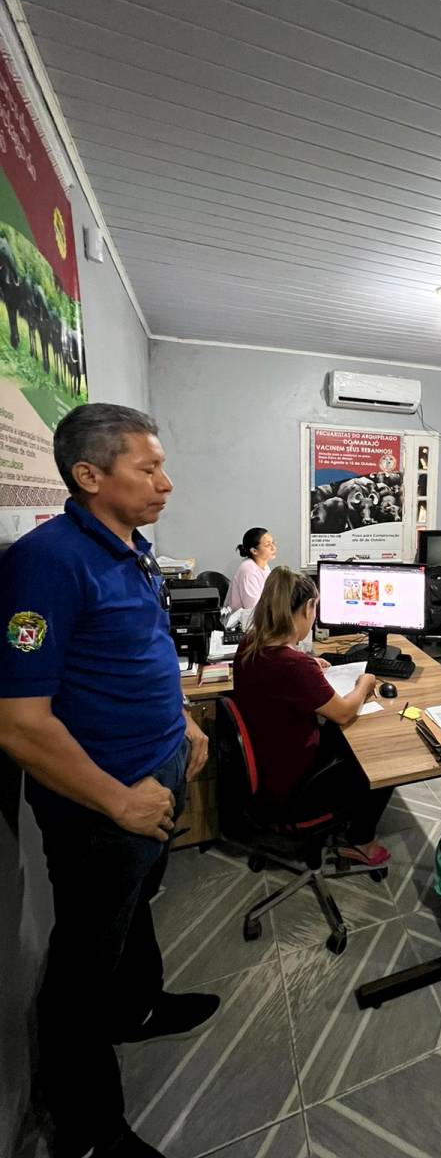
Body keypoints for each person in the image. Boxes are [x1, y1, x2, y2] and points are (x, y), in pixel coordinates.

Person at [0, 404, 218, 1158]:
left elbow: (142, 647)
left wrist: (183, 719)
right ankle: (88, 1129)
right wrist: (120, 800)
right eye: (148, 468)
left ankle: (140, 1010)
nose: (166, 482)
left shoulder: (133, 547)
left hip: (158, 771)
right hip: (105, 799)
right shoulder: (46, 563)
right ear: (90, 475)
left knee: (136, 908)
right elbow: (20, 723)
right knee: (82, 967)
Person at [233, 567, 392, 865]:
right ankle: (362, 840)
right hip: (295, 787)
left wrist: (308, 663)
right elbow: (343, 712)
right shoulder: (294, 667)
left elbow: (279, 677)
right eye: (315, 608)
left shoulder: (249, 645)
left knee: (343, 739)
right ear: (308, 608)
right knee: (381, 759)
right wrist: (365, 683)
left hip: (270, 769)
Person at [225, 527, 277, 611]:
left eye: (273, 543)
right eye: (268, 545)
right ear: (254, 551)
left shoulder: (265, 567)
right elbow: (252, 608)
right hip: (244, 617)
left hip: (259, 614)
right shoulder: (248, 570)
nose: (273, 548)